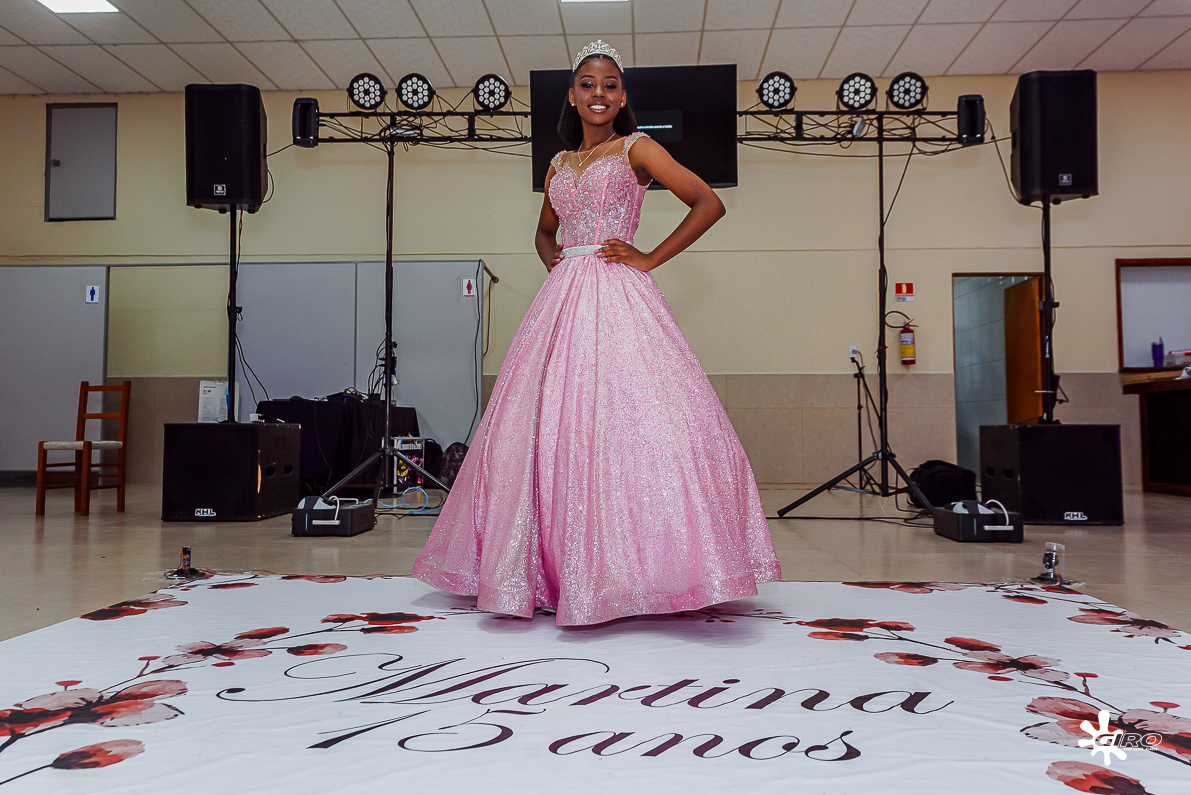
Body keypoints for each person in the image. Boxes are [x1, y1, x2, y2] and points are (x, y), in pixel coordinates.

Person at [412, 41, 780, 625]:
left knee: (634, 421)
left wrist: (648, 257)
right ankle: (548, 569)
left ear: (623, 96)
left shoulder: (638, 147)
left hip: (618, 293)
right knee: (542, 426)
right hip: (564, 298)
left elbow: (707, 202)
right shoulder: (558, 164)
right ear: (572, 95)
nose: (599, 93)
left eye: (609, 84)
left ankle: (647, 570)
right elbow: (543, 232)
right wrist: (557, 262)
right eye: (588, 84)